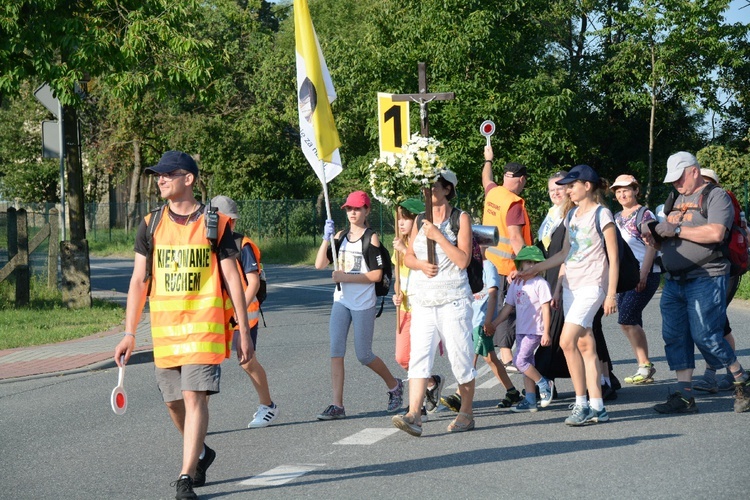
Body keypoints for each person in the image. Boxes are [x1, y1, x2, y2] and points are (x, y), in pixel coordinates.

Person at [114, 151, 253, 500]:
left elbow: (233, 278)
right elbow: (138, 281)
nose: (160, 179)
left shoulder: (215, 222)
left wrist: (243, 329)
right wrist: (129, 333)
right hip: (165, 332)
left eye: (167, 174)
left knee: (194, 398)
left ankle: (185, 477)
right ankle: (203, 453)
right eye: (157, 175)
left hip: (204, 329)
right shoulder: (151, 223)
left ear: (188, 179)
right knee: (173, 402)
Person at [644, 152, 750, 414]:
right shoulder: (675, 198)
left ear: (693, 171)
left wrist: (677, 229)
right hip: (674, 280)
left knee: (706, 335)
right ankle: (684, 396)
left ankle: (740, 377)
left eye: (680, 178)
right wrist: (654, 235)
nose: (676, 185)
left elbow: (716, 233)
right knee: (674, 336)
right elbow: (666, 236)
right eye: (673, 181)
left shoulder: (715, 196)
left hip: (707, 276)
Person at [517, 164, 618, 426]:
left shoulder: (603, 214)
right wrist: (535, 271)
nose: (568, 190)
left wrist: (611, 294)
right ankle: (598, 407)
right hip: (572, 285)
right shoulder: (571, 215)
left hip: (593, 286)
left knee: (565, 340)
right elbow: (563, 254)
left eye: (572, 185)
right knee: (586, 345)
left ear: (587, 186)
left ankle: (581, 403)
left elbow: (614, 259)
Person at [392, 170, 477, 437]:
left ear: (448, 189)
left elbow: (463, 260)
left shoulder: (460, 218)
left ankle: (466, 412)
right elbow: (409, 258)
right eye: (426, 188)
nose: (428, 192)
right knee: (419, 357)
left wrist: (439, 236)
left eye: (434, 187)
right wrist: (420, 264)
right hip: (424, 300)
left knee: (460, 358)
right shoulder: (420, 218)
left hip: (453, 299)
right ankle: (414, 414)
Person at [314, 190, 403, 420]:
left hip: (363, 302)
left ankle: (394, 386)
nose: (353, 213)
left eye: (357, 209)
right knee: (336, 351)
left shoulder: (370, 237)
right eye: (349, 209)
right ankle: (337, 405)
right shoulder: (341, 236)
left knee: (364, 355)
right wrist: (326, 238)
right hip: (341, 301)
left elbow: (376, 275)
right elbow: (319, 264)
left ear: (366, 211)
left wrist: (345, 277)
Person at [211, 195, 278, 429]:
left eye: (227, 221)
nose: (225, 225)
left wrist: (239, 312)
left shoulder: (242, 245)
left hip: (243, 314)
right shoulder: (208, 246)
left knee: (246, 361)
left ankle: (267, 406)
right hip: (216, 315)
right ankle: (197, 416)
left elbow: (254, 283)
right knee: (205, 364)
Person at [439, 245, 523, 412]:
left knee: (471, 357)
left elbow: (492, 295)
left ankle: (459, 394)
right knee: (490, 358)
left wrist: (488, 321)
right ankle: (512, 392)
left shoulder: (489, 266)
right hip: (470, 319)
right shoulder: (471, 266)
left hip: (481, 321)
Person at [391, 198, 444, 418]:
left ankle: (418, 405)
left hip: (422, 307)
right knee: (402, 357)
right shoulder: (397, 245)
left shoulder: (423, 243)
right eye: (399, 220)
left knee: (417, 358)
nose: (402, 224)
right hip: (405, 308)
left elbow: (427, 268)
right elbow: (398, 278)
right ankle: (432, 382)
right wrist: (397, 293)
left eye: (406, 219)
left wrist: (405, 249)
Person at [482, 146, 532, 370]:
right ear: (522, 179)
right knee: (507, 309)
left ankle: (498, 352)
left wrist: (488, 160)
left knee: (495, 306)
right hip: (507, 265)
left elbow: (486, 179)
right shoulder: (513, 203)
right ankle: (506, 357)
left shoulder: (494, 193)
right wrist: (527, 264)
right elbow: (515, 237)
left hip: (489, 260)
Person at [692, 168, 742, 393]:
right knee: (716, 323)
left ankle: (723, 375)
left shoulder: (720, 200)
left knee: (715, 323)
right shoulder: (696, 202)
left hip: (723, 269)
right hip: (705, 271)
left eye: (706, 180)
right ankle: (721, 374)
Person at [610, 175, 661, 384]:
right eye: (618, 191)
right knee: (632, 319)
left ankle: (645, 365)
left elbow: (652, 244)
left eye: (626, 190)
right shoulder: (616, 216)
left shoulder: (644, 214)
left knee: (626, 319)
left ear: (636, 191)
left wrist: (643, 273)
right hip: (626, 275)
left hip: (644, 274)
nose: (622, 194)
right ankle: (643, 367)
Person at [492, 245, 553, 412]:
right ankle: (531, 399)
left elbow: (546, 308)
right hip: (521, 330)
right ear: (520, 264)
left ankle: (544, 383)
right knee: (528, 363)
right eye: (527, 262)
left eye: (535, 263)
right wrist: (495, 323)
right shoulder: (516, 284)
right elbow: (507, 307)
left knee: (520, 361)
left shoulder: (540, 283)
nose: (531, 265)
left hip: (535, 330)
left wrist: (546, 331)